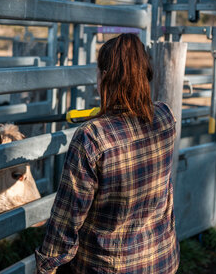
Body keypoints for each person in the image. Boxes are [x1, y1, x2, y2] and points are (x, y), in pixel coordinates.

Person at [35, 33, 179, 274]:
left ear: (105, 76)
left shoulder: (92, 136)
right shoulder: (165, 117)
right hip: (162, 260)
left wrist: (47, 266)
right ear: (145, 74)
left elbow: (66, 218)